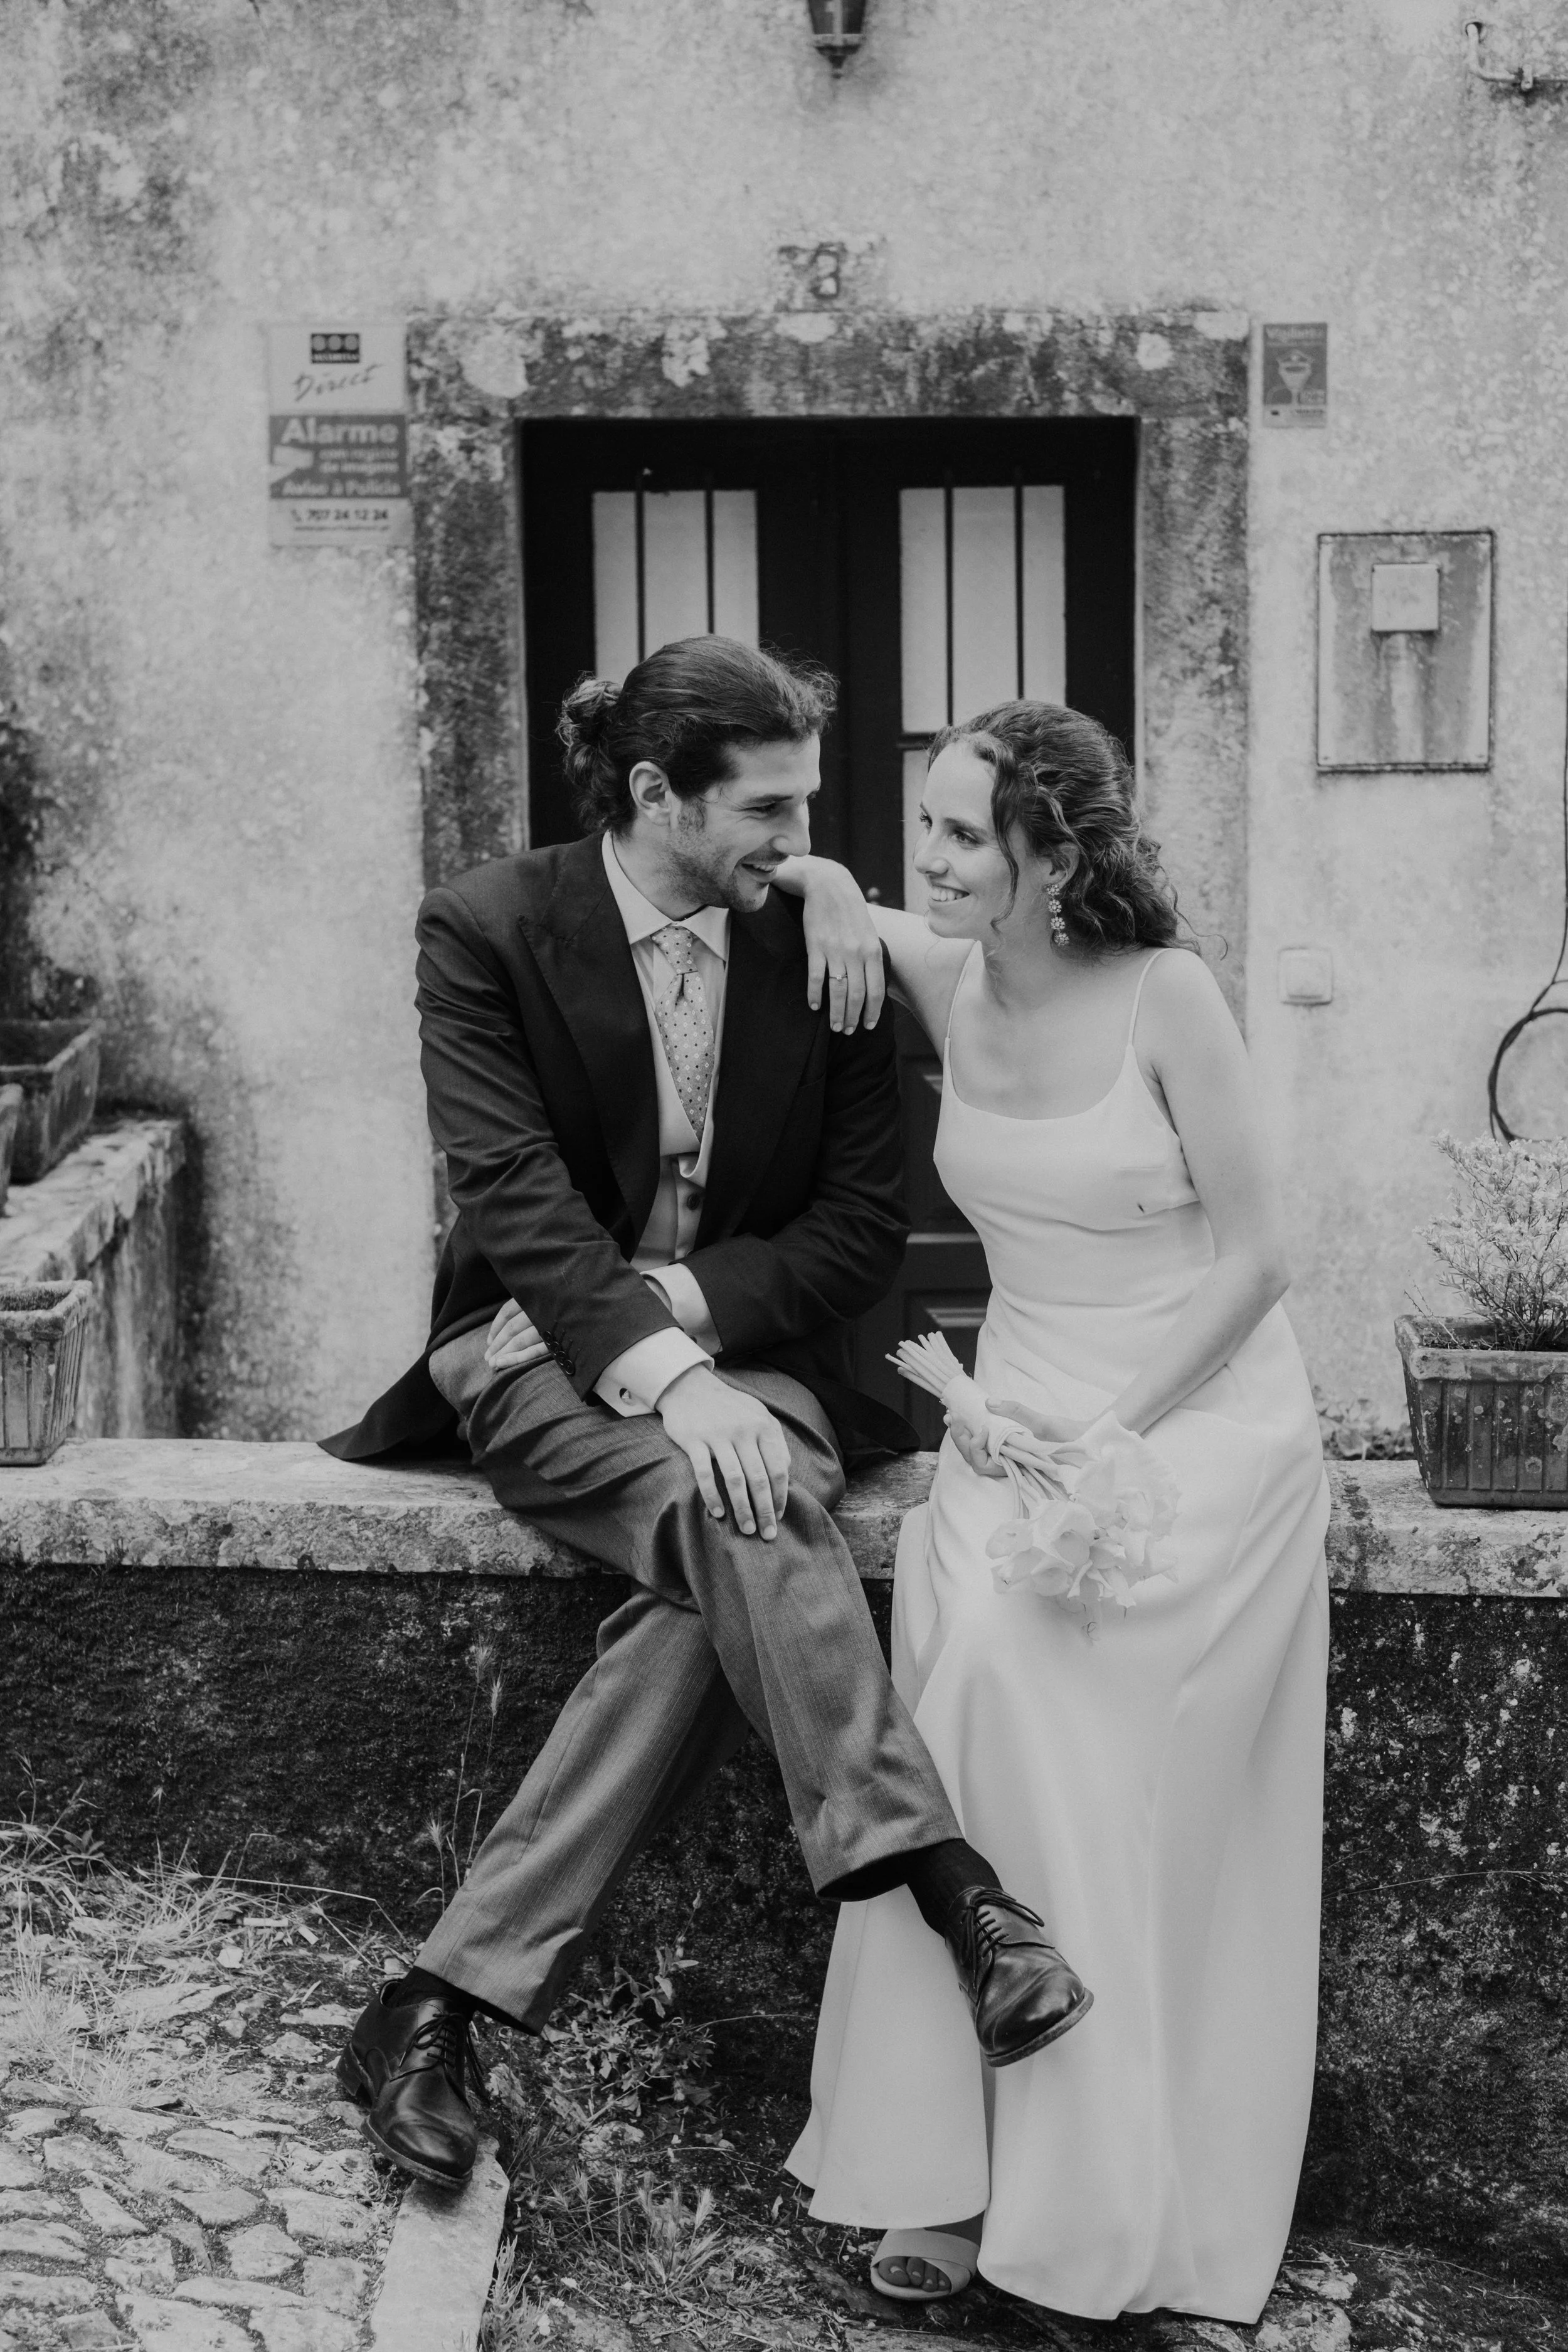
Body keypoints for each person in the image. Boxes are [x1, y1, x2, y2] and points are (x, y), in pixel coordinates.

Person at [321, 640, 1093, 2190]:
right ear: (654, 792)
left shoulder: (823, 946)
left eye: (806, 804)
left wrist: (691, 1326)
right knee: (726, 1500)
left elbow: (857, 1235)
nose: (800, 841)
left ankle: (441, 1999)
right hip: (536, 1353)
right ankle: (953, 1890)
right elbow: (516, 1202)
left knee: (721, 1539)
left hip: (774, 1365)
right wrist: (668, 1385)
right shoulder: (486, 928)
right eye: (764, 809)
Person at [775, 701, 1330, 2325]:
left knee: (1043, 1698)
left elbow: (1255, 1256)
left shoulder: (1170, 997)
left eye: (960, 834)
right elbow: (830, 902)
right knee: (952, 1696)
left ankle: (1105, 2198)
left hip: (1189, 1410)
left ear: (1051, 857)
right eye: (922, 824)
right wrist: (815, 877)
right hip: (1005, 1411)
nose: (924, 857)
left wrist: (1106, 1433)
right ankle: (939, 2171)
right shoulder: (950, 970)